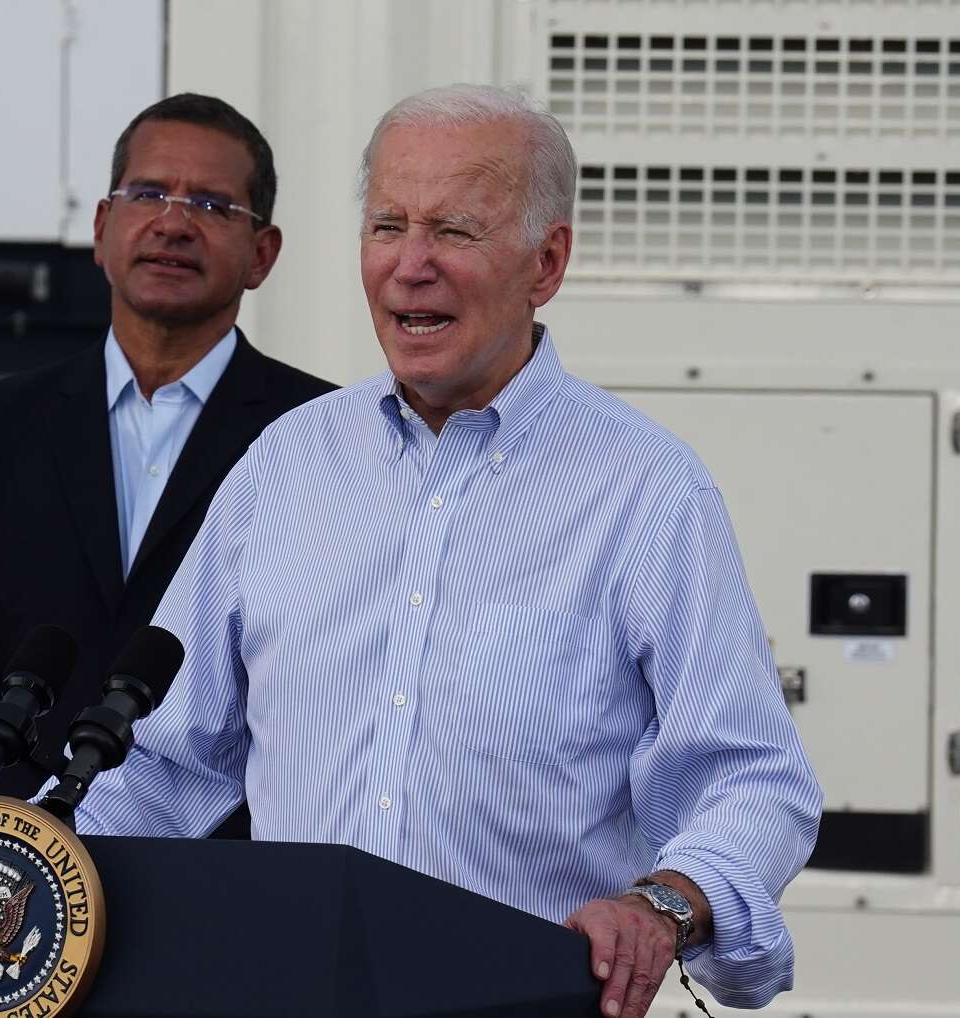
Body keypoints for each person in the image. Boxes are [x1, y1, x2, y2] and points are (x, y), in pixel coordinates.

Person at [67, 85, 823, 1016]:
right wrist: (25, 863)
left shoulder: (645, 491)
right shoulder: (286, 465)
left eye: (455, 232)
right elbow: (168, 761)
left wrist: (663, 906)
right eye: (388, 226)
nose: (410, 266)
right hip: (288, 994)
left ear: (546, 263)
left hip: (517, 1001)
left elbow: (753, 778)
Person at [0, 94, 333, 819]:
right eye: (149, 194)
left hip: (232, 859)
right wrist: (20, 823)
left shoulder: (319, 435)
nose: (174, 222)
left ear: (262, 254)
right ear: (102, 229)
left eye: (214, 206)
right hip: (22, 845)